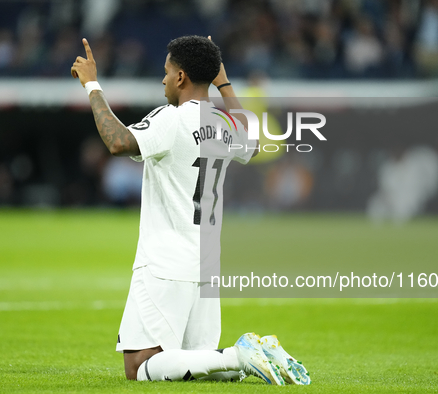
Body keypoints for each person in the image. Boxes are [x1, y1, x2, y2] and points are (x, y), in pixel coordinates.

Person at [71, 35, 310, 385]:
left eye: (167, 72)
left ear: (181, 77)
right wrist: (223, 81)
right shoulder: (226, 124)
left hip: (167, 261)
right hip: (207, 265)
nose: (163, 80)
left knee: (139, 366)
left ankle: (238, 355)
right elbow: (254, 143)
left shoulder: (172, 119)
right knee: (196, 367)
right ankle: (249, 359)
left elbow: (118, 141)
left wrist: (92, 84)